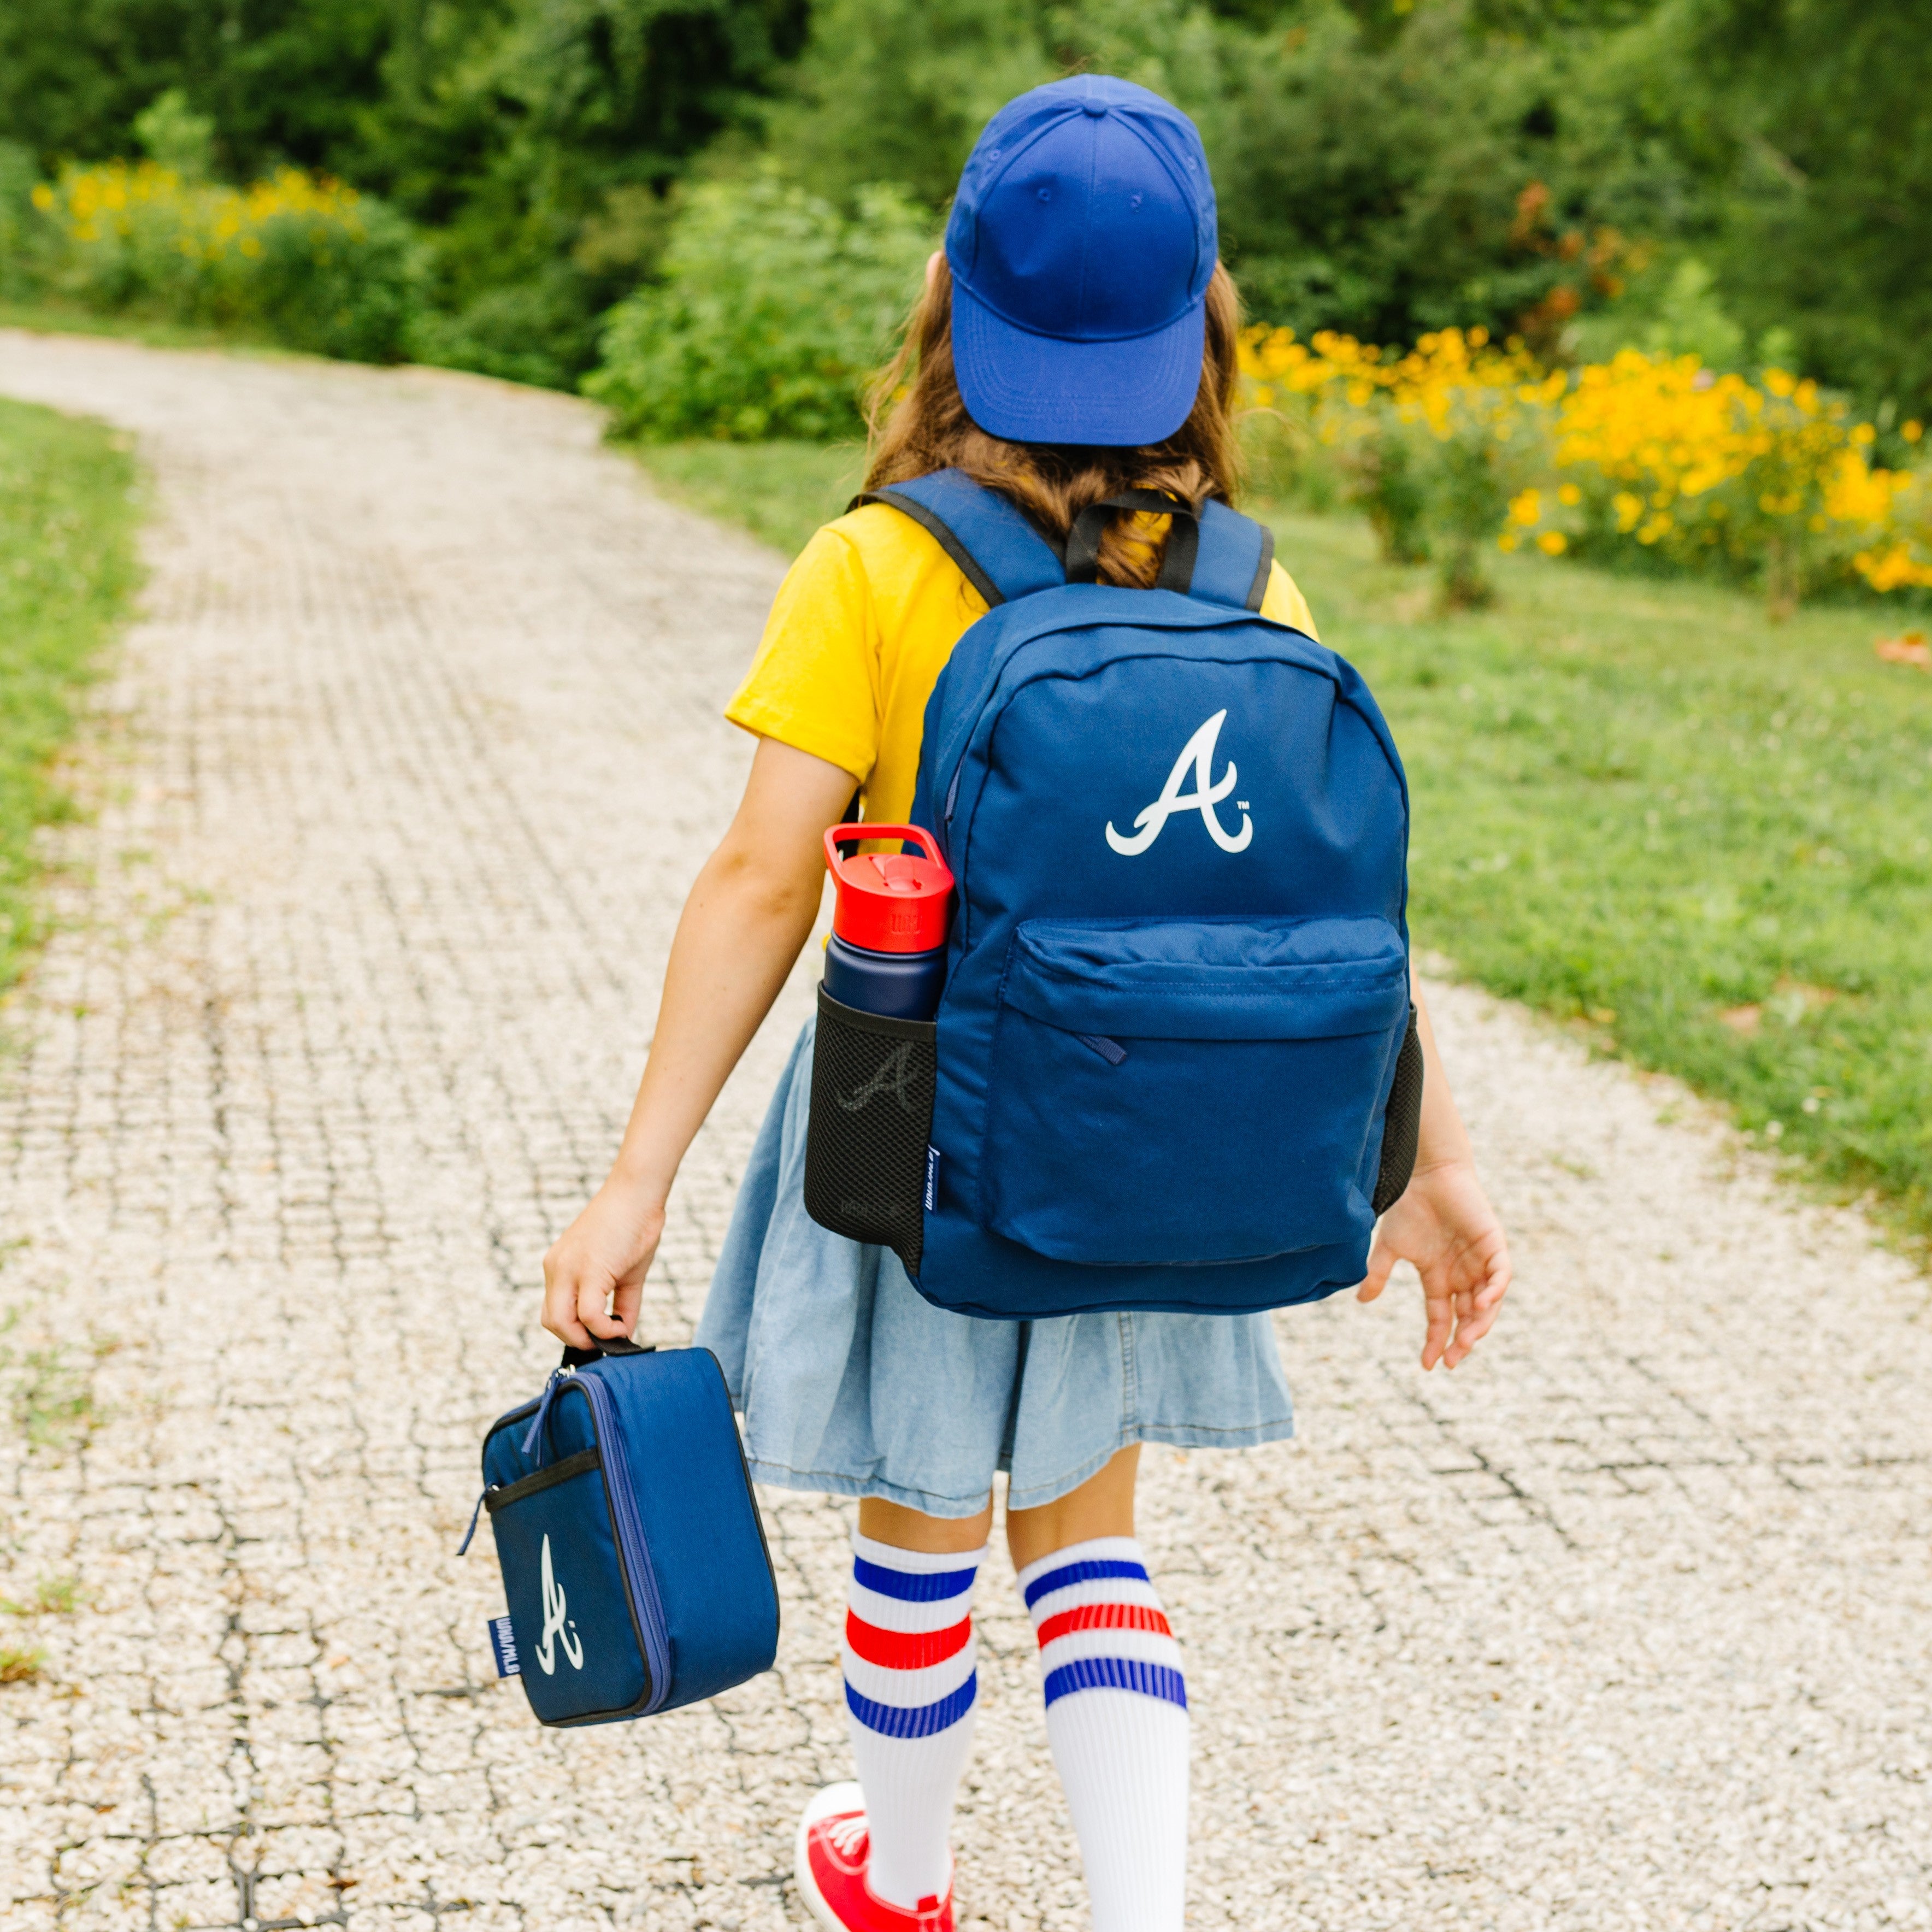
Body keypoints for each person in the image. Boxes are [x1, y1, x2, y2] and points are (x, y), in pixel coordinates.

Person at [542, 73, 1511, 1932]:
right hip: (1155, 1143)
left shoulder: (878, 562)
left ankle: (900, 1886)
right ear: (1206, 323)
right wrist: (1433, 1160)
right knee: (1093, 1543)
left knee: (922, 1532)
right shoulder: (1245, 579)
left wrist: (637, 1178)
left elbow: (758, 880)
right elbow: (1339, 911)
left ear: (947, 303)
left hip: (911, 1142)